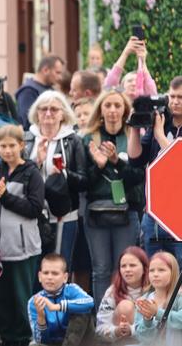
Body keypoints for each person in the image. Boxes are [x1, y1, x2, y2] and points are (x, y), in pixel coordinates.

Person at [0, 124, 45, 346]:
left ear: (21, 146)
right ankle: (4, 335)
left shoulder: (31, 173)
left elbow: (34, 208)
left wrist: (5, 197)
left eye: (12, 146)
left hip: (22, 248)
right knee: (0, 297)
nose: (7, 150)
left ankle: (24, 336)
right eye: (3, 146)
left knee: (21, 295)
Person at [83, 89, 143, 304]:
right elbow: (83, 182)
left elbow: (139, 177)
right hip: (96, 213)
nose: (112, 111)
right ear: (100, 109)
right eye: (107, 105)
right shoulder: (89, 138)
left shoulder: (134, 136)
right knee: (100, 270)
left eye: (117, 106)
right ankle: (103, 321)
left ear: (125, 110)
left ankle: (123, 317)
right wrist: (99, 166)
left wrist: (117, 160)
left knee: (124, 269)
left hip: (127, 212)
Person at [24, 91, 87, 266]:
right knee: (37, 267)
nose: (48, 113)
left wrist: (64, 174)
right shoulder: (27, 139)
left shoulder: (73, 140)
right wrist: (37, 162)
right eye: (43, 109)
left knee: (59, 264)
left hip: (63, 214)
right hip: (33, 214)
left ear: (63, 114)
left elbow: (84, 180)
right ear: (37, 113)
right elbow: (19, 176)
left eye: (54, 109)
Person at [129, 75, 182, 263]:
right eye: (172, 97)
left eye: (180, 98)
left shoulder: (159, 129)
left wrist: (160, 136)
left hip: (179, 212)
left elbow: (178, 163)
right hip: (154, 211)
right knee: (155, 268)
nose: (175, 102)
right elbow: (135, 159)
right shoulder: (161, 122)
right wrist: (134, 128)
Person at [28, 254, 95, 346]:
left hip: (80, 342)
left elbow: (90, 302)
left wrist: (57, 307)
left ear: (65, 277)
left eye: (55, 273)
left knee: (82, 310)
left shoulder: (71, 289)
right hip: (53, 343)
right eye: (46, 273)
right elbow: (40, 340)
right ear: (39, 276)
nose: (49, 277)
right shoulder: (33, 301)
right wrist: (41, 318)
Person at [95, 246, 149, 343]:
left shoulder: (155, 289)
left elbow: (161, 325)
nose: (127, 270)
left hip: (152, 341)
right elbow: (100, 329)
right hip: (121, 341)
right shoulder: (112, 291)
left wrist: (131, 330)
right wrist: (116, 331)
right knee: (125, 306)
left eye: (132, 265)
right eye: (123, 266)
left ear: (144, 268)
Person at [135, 252, 182, 345]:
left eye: (161, 270)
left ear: (173, 272)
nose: (155, 274)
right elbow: (143, 338)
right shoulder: (144, 300)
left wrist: (157, 312)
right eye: (151, 270)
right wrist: (147, 320)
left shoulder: (179, 296)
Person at [15, 55, 65, 129]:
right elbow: (28, 122)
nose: (60, 77)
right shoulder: (28, 91)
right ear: (45, 70)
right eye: (57, 73)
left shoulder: (51, 90)